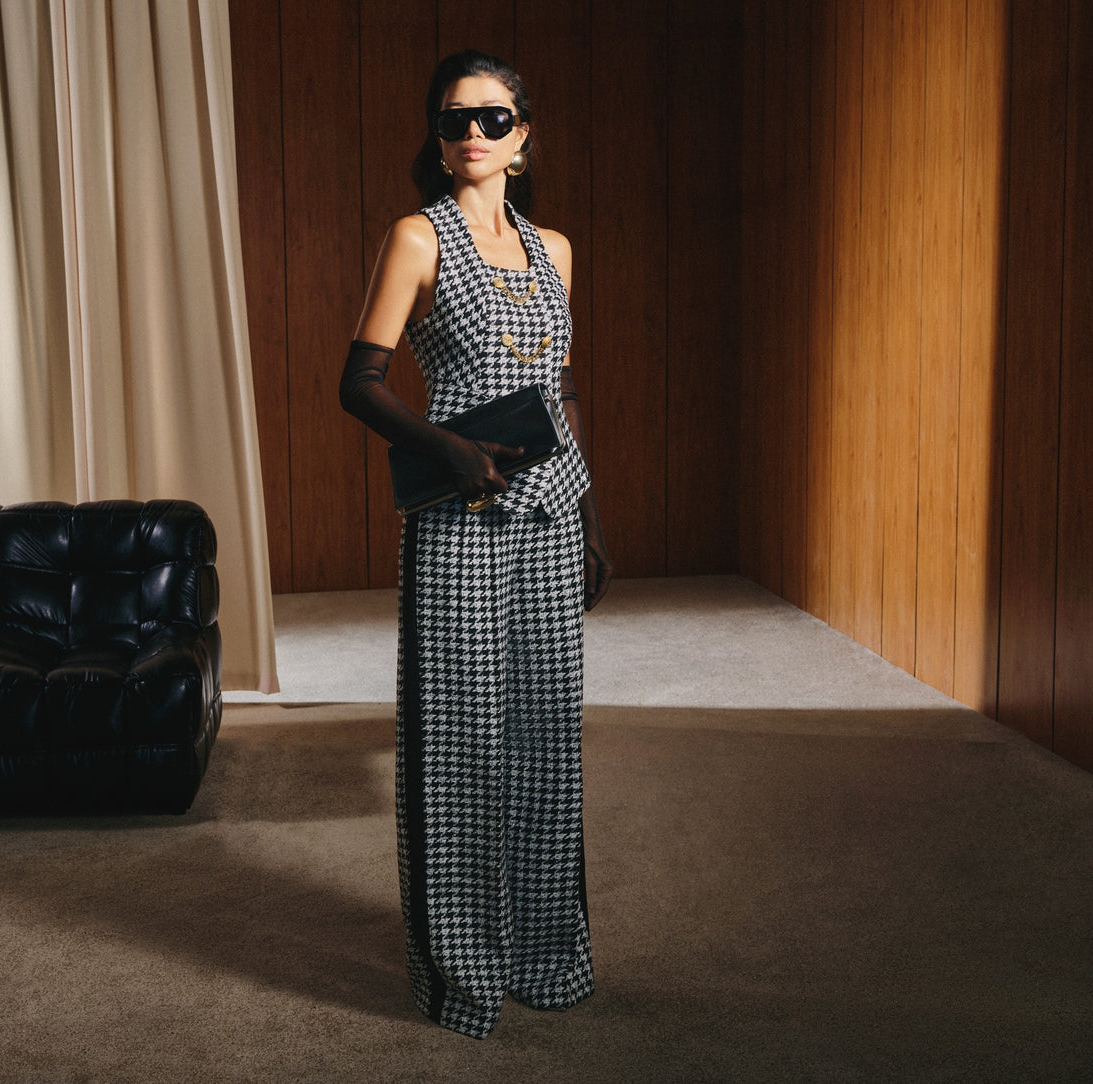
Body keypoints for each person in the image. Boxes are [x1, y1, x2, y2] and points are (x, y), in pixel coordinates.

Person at [339, 50, 612, 1039]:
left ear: (523, 137)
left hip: (548, 513)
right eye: (454, 119)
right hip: (457, 521)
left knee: (544, 746)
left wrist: (586, 517)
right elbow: (357, 382)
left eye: (492, 120)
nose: (471, 134)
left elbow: (563, 391)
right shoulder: (417, 237)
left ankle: (545, 954)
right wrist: (446, 448)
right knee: (457, 745)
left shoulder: (556, 251)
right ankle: (460, 974)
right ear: (437, 133)